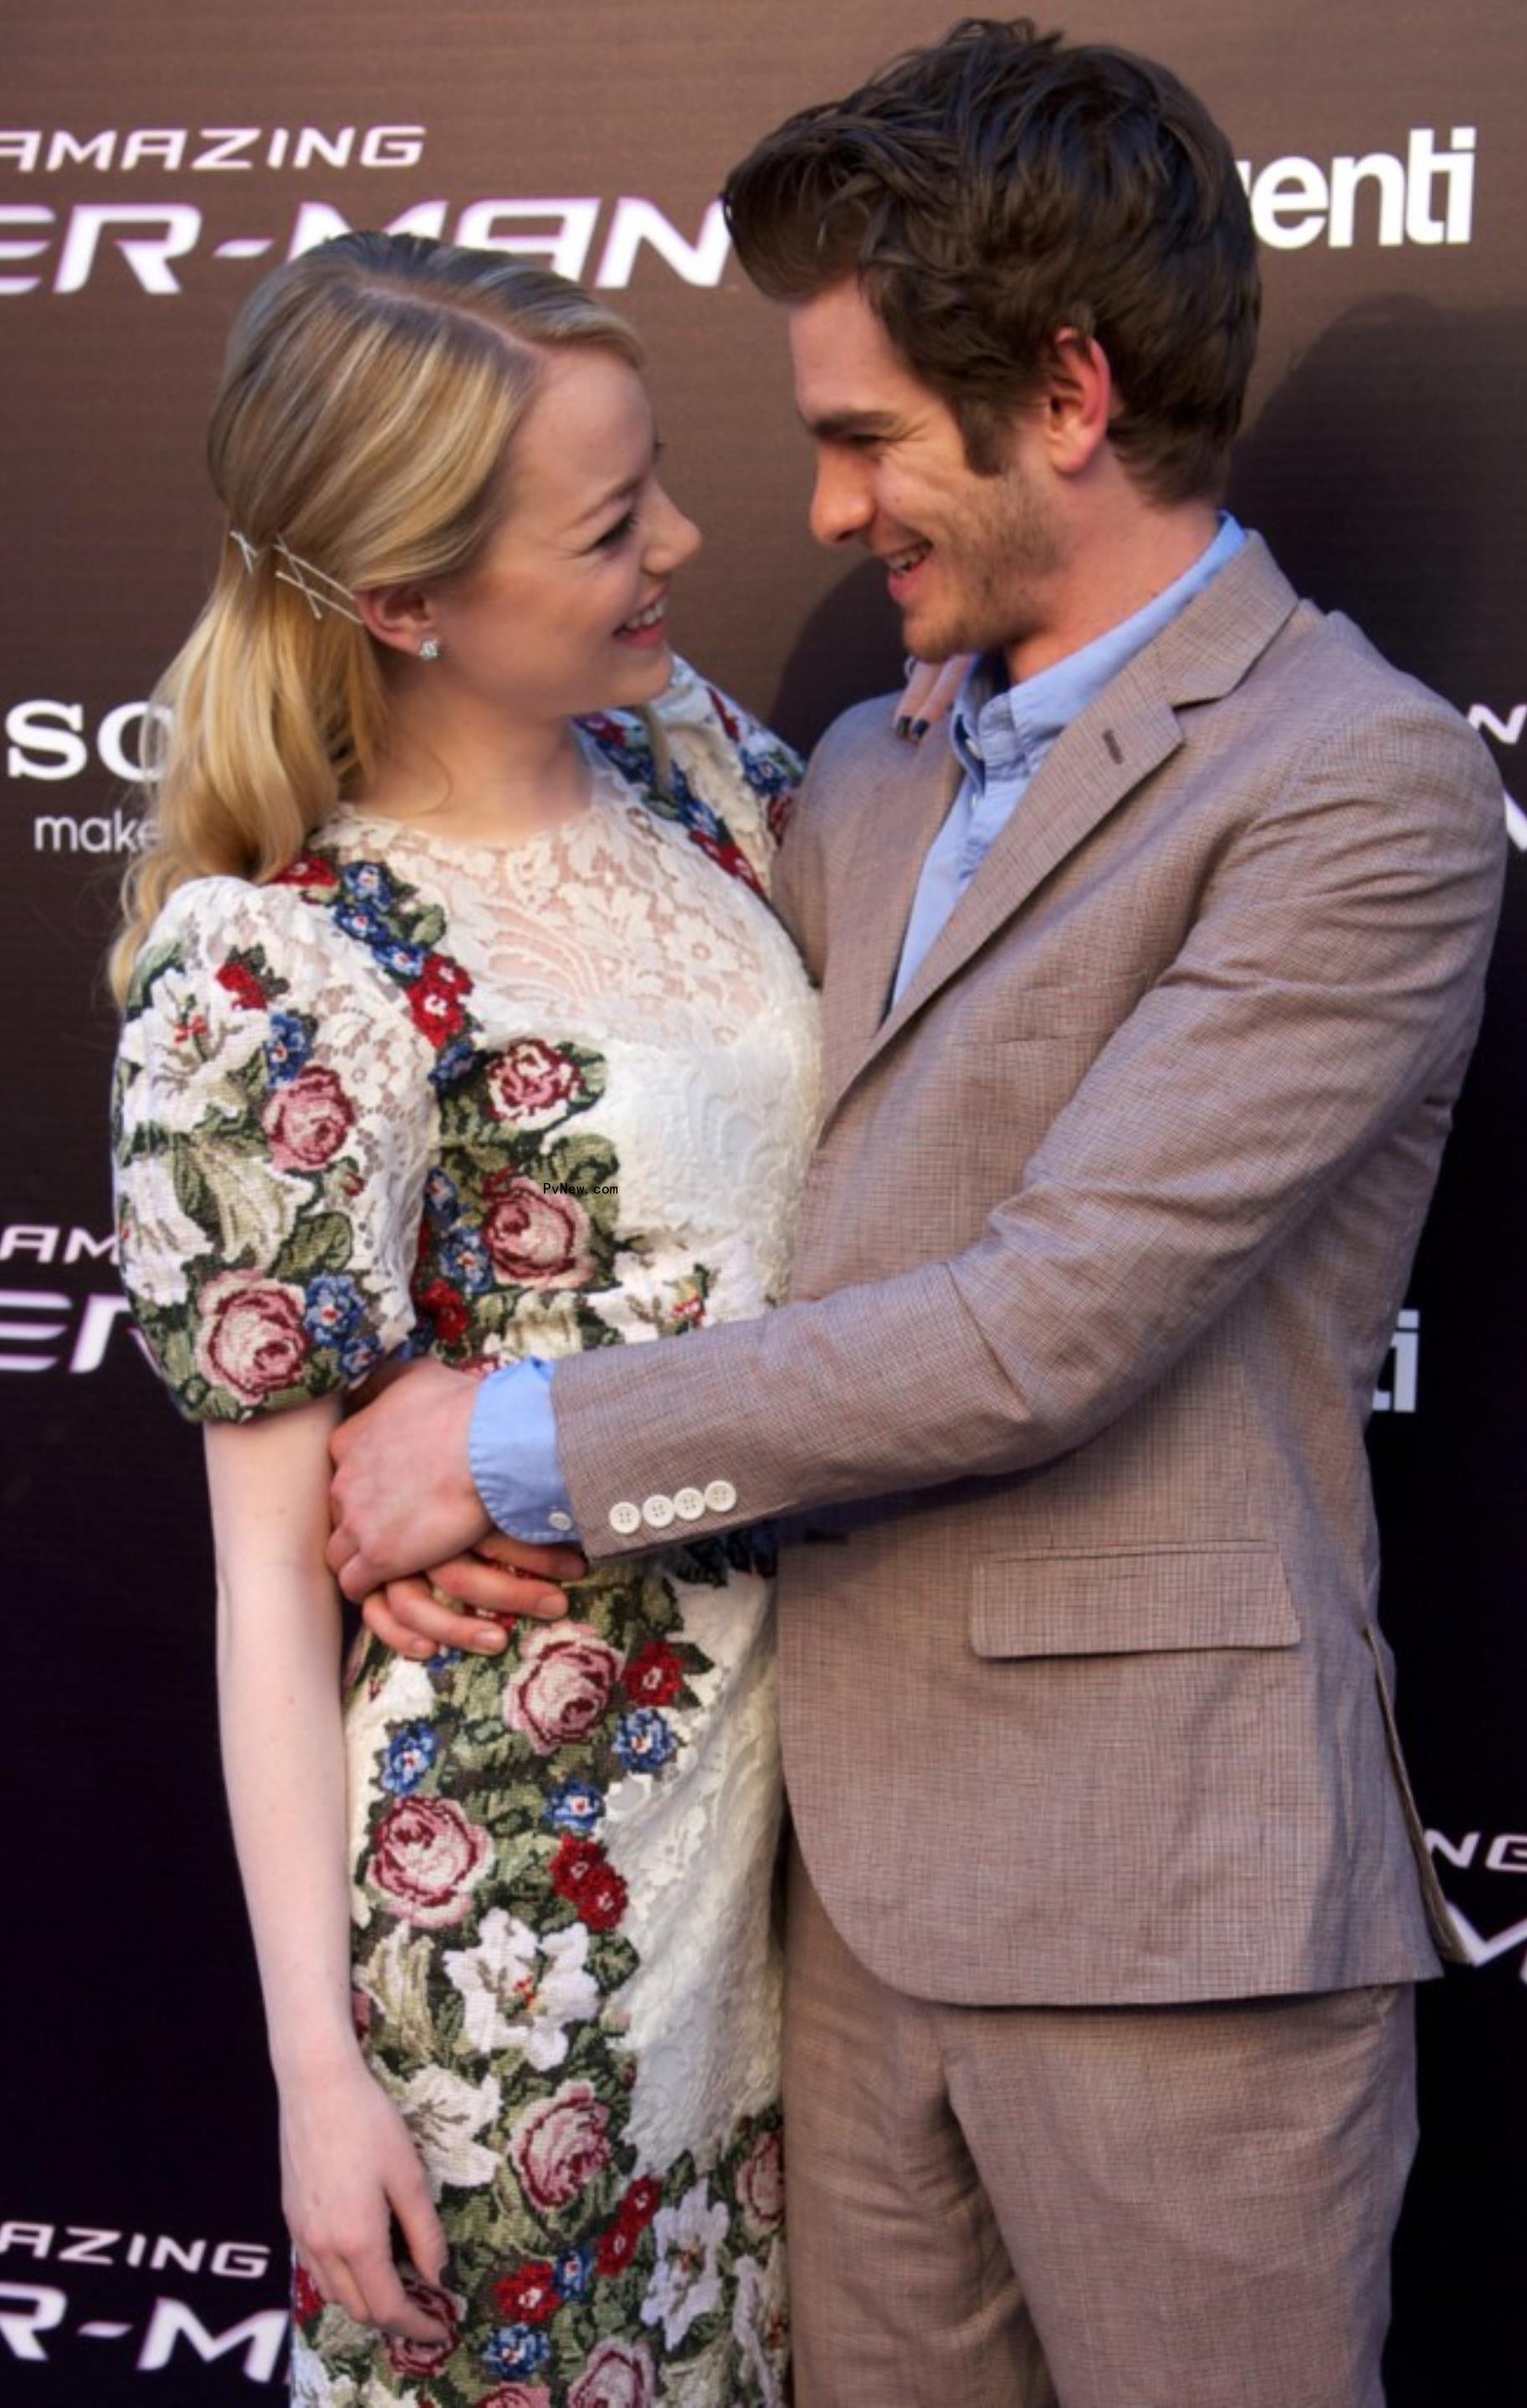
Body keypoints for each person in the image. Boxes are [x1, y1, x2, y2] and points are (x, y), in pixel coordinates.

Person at [337, 24, 1509, 2408]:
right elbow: (656, 1153)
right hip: (827, 1901)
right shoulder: (856, 767)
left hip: (1170, 1911)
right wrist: (408, 1441)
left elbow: (1048, 1323)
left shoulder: (1354, 782)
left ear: (1066, 393)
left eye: (867, 436)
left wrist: (511, 1446)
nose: (822, 508)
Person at [110, 229, 810, 2407]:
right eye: (613, 528)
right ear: (404, 600)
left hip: (799, 1870)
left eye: (660, 479)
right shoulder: (287, 968)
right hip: (510, 1947)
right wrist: (319, 2083)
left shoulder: (697, 764)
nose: (688, 544)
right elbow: (260, 1585)